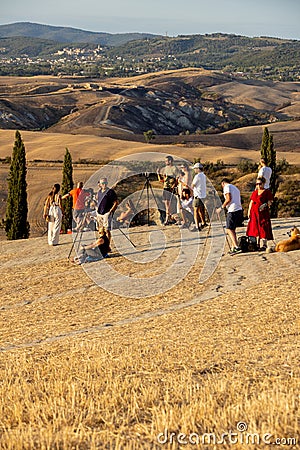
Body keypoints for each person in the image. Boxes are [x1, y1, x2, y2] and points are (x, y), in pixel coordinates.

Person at [216, 178, 244, 254]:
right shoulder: (235, 188)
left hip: (232, 210)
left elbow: (228, 199)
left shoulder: (226, 187)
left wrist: (221, 208)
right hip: (239, 209)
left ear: (223, 183)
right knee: (232, 229)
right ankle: (233, 247)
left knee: (229, 229)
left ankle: (236, 247)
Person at [247, 176, 274, 251]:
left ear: (263, 183)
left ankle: (264, 244)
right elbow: (251, 202)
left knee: (263, 227)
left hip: (263, 213)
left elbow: (270, 201)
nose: (258, 185)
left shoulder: (267, 192)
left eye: (260, 184)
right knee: (255, 228)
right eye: (257, 184)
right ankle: (256, 244)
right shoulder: (255, 192)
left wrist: (265, 205)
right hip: (254, 212)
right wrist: (249, 211)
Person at [157, 155, 179, 225]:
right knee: (166, 204)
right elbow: (163, 179)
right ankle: (168, 218)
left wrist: (174, 185)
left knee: (170, 204)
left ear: (170, 161)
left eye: (166, 161)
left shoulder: (174, 168)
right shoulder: (166, 168)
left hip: (171, 188)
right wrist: (158, 174)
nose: (165, 162)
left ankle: (169, 218)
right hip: (165, 187)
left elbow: (178, 178)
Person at [97, 177, 118, 246]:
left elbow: (116, 202)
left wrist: (111, 211)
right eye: (103, 183)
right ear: (99, 184)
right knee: (101, 230)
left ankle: (107, 245)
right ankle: (102, 245)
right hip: (99, 213)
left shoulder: (110, 192)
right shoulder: (99, 192)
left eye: (105, 183)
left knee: (107, 230)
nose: (104, 185)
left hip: (106, 213)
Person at [191, 162, 207, 231]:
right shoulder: (203, 176)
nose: (194, 170)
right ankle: (203, 223)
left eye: (195, 169)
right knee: (201, 210)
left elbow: (193, 185)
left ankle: (197, 226)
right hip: (203, 195)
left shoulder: (197, 176)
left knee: (196, 211)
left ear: (197, 169)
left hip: (197, 195)